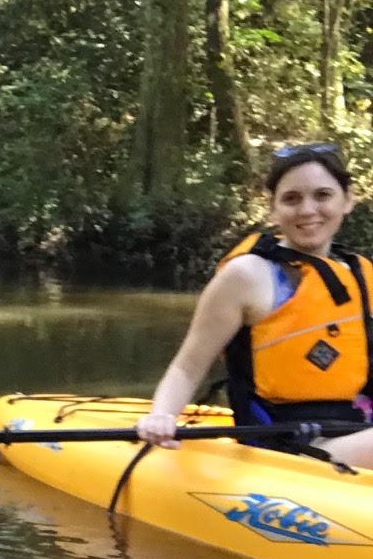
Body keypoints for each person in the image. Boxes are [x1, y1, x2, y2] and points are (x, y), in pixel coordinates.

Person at [136, 143, 373, 464]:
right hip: (286, 444)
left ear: (347, 200)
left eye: (322, 195)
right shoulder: (246, 275)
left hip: (354, 428)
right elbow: (188, 366)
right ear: (272, 208)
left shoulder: (360, 272)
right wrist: (161, 415)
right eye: (291, 198)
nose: (307, 209)